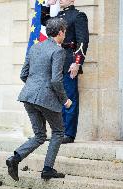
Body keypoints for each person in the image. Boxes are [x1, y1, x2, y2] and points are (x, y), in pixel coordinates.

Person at [6, 18, 72, 181]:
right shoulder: (58, 51)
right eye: (64, 31)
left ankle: (14, 159)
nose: (65, 34)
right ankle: (47, 169)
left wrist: (35, 87)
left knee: (40, 135)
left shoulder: (35, 47)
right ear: (60, 32)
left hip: (28, 96)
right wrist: (64, 100)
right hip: (46, 97)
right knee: (58, 132)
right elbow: (56, 80)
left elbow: (23, 74)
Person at [42, 0, 89, 144]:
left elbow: (83, 41)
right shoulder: (56, 16)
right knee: (56, 98)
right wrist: (46, 3)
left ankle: (68, 134)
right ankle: (58, 132)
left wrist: (77, 62)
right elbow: (43, 20)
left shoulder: (78, 15)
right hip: (54, 60)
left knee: (69, 96)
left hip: (69, 60)